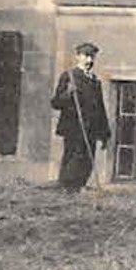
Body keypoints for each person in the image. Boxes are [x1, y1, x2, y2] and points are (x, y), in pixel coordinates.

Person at [51, 42, 110, 191]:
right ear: (78, 57)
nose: (90, 61)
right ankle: (67, 187)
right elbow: (56, 102)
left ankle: (80, 186)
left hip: (91, 128)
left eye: (92, 57)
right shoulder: (69, 76)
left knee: (88, 159)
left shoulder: (95, 81)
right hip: (74, 127)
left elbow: (100, 108)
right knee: (74, 156)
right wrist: (68, 93)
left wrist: (104, 133)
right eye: (86, 56)